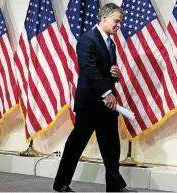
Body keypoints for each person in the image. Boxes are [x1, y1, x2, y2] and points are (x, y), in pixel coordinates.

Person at [53, 3, 135, 193]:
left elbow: (104, 70)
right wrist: (107, 93)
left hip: (106, 105)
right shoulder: (87, 39)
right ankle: (61, 184)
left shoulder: (111, 43)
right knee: (76, 145)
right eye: (116, 21)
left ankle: (115, 187)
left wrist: (115, 74)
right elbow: (88, 69)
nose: (118, 25)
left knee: (111, 147)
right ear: (104, 18)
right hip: (90, 103)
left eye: (120, 22)